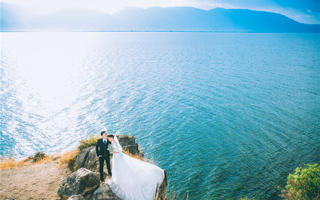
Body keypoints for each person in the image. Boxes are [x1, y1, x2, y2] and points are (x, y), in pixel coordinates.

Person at [106, 134, 165, 200]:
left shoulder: (115, 142)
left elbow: (120, 149)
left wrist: (115, 152)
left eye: (109, 138)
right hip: (116, 158)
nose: (109, 139)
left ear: (112, 137)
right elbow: (110, 151)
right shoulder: (110, 144)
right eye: (108, 138)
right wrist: (113, 152)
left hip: (119, 156)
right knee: (118, 169)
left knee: (125, 167)